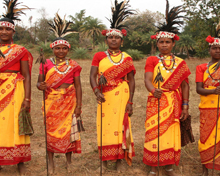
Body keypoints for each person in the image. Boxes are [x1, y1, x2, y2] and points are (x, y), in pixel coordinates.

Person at [143, 1, 191, 176]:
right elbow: (147, 79)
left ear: (173, 44)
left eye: (167, 42)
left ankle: (169, 165)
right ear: (157, 44)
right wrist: (152, 90)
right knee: (154, 132)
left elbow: (185, 85)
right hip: (156, 100)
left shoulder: (180, 63)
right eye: (161, 42)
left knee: (171, 132)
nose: (164, 45)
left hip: (174, 102)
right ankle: (154, 166)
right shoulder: (151, 60)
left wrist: (185, 106)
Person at [90, 0, 135, 173]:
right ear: (106, 39)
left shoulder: (127, 57)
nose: (113, 39)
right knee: (104, 126)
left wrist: (130, 101)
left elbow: (132, 81)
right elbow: (92, 76)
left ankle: (119, 160)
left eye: (117, 37)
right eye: (110, 37)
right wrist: (96, 91)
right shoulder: (99, 55)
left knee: (120, 125)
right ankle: (104, 160)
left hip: (122, 96)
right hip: (104, 96)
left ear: (121, 40)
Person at [37, 13, 82, 174]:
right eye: (58, 48)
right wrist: (40, 86)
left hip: (69, 102)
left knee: (68, 131)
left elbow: (78, 86)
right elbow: (38, 83)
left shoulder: (74, 65)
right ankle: (50, 161)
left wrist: (79, 106)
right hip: (51, 102)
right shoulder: (46, 63)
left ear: (68, 49)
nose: (61, 51)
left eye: (64, 48)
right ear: (53, 49)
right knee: (50, 131)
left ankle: (68, 161)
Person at [0, 0, 33, 175]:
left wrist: (27, 98)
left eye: (7, 29)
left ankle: (20, 162)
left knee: (15, 124)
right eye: (1, 29)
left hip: (15, 90)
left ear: (13, 31)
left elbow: (27, 75)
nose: (4, 32)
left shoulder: (20, 50)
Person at [196, 25, 220, 176]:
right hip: (207, 109)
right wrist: (213, 90)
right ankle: (205, 167)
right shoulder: (201, 68)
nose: (218, 50)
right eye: (214, 48)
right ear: (209, 50)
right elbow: (199, 89)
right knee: (205, 138)